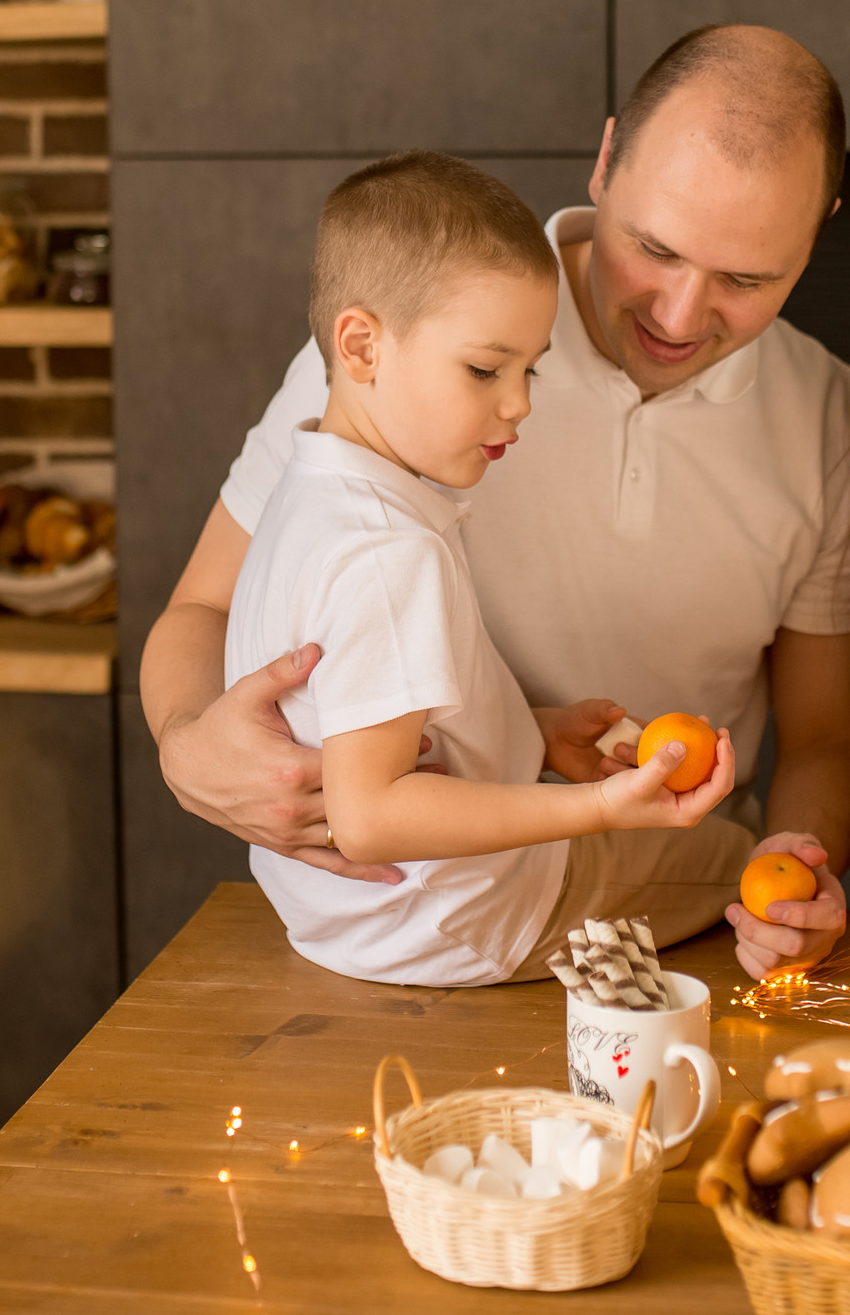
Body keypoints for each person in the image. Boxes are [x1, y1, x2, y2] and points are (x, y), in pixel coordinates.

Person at [144, 26, 850, 980]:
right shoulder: (408, 347)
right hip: (445, 910)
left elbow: (827, 737)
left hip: (656, 930)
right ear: (606, 162)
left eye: (746, 280)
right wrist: (187, 745)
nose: (680, 315)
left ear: (817, 234)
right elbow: (202, 608)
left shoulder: (830, 420)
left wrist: (795, 869)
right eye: (654, 249)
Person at [232, 152, 750, 985]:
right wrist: (596, 811)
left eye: (529, 369)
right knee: (738, 861)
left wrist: (527, 733)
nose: (519, 404)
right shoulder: (389, 551)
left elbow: (358, 721)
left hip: (337, 920)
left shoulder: (312, 488)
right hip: (455, 920)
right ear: (361, 346)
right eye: (485, 369)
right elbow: (368, 817)